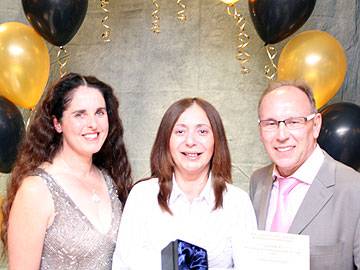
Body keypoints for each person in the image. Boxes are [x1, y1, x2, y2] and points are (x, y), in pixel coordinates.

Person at [1, 73, 132, 269]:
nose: (93, 124)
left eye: (99, 112)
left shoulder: (110, 179)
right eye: (80, 114)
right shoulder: (36, 190)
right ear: (57, 123)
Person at [112, 97, 257, 269]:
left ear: (216, 140)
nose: (190, 141)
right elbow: (121, 265)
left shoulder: (237, 202)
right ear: (166, 140)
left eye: (202, 132)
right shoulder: (142, 196)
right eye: (180, 132)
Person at [250, 80, 360, 270]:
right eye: (270, 123)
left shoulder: (353, 189)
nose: (281, 135)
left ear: (316, 125)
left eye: (294, 122)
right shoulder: (257, 181)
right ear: (260, 130)